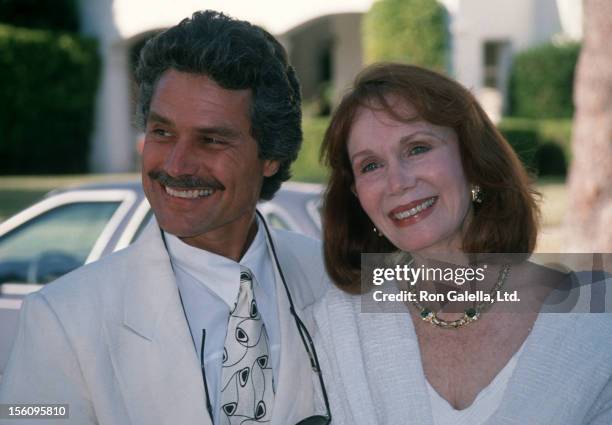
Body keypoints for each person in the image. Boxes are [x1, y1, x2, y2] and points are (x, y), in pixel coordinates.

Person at [0, 11, 330, 425]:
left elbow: (433, 298)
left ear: (272, 155)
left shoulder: (341, 280)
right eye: (162, 132)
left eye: (211, 139)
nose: (176, 164)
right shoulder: (59, 320)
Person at [312, 63, 612, 424]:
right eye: (371, 166)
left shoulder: (595, 320)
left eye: (417, 148)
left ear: (472, 158)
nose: (398, 182)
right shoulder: (339, 323)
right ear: (357, 195)